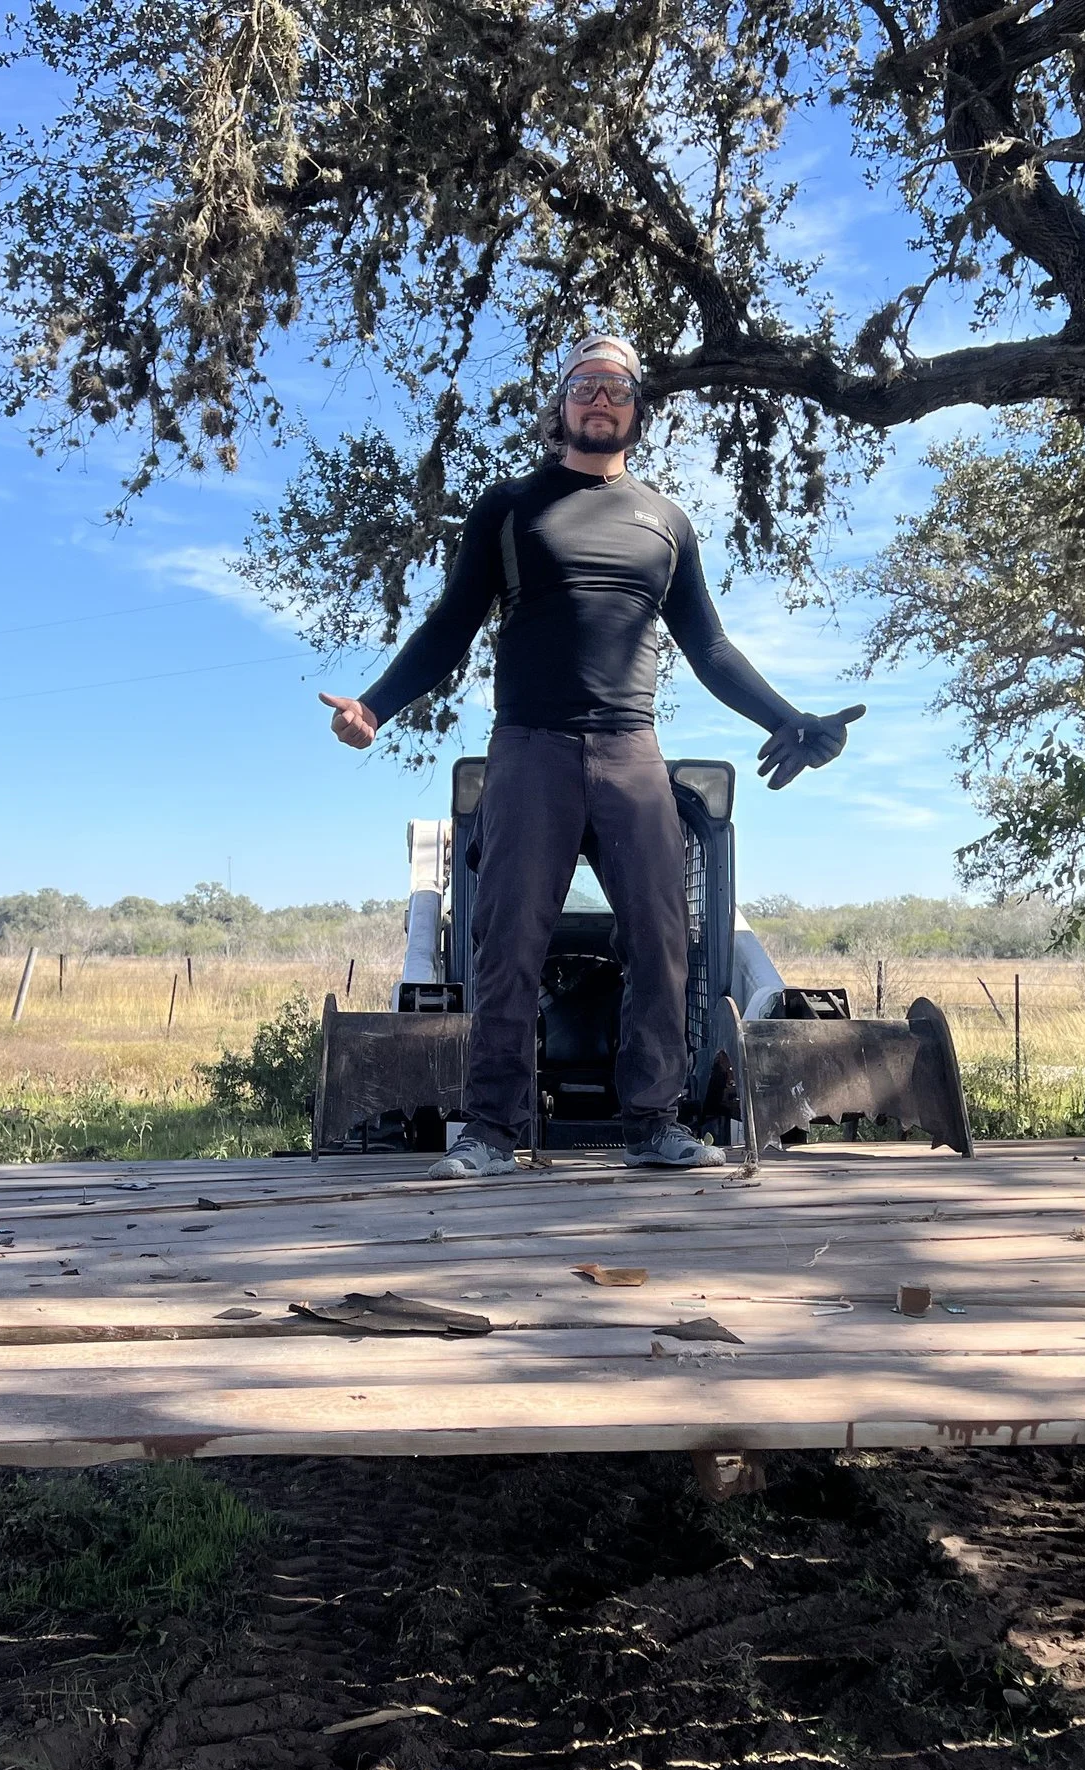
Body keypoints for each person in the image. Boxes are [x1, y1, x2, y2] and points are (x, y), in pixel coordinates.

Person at [319, 333, 861, 1178]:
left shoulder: (667, 524)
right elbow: (446, 630)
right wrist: (375, 706)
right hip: (529, 749)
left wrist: (789, 720)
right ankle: (491, 1132)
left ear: (637, 409)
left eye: (616, 384)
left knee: (662, 935)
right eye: (584, 384)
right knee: (507, 941)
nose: (599, 397)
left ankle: (654, 1123)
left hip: (631, 747)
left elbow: (711, 649)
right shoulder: (508, 509)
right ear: (562, 406)